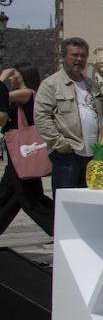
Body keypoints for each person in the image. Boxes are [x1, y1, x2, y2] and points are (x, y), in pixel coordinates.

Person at [35, 38, 103, 192]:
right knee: (66, 205)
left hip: (94, 155)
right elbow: (42, 118)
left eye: (83, 56)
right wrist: (61, 144)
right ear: (63, 58)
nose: (79, 59)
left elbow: (101, 117)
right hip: (67, 155)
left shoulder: (92, 85)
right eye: (74, 55)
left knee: (91, 202)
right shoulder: (51, 84)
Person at [0, 64, 55, 237]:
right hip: (18, 154)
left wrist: (1, 78)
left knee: (28, 197)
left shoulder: (26, 93)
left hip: (22, 153)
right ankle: (60, 226)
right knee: (14, 194)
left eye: (14, 73)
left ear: (22, 75)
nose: (11, 77)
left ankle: (59, 226)